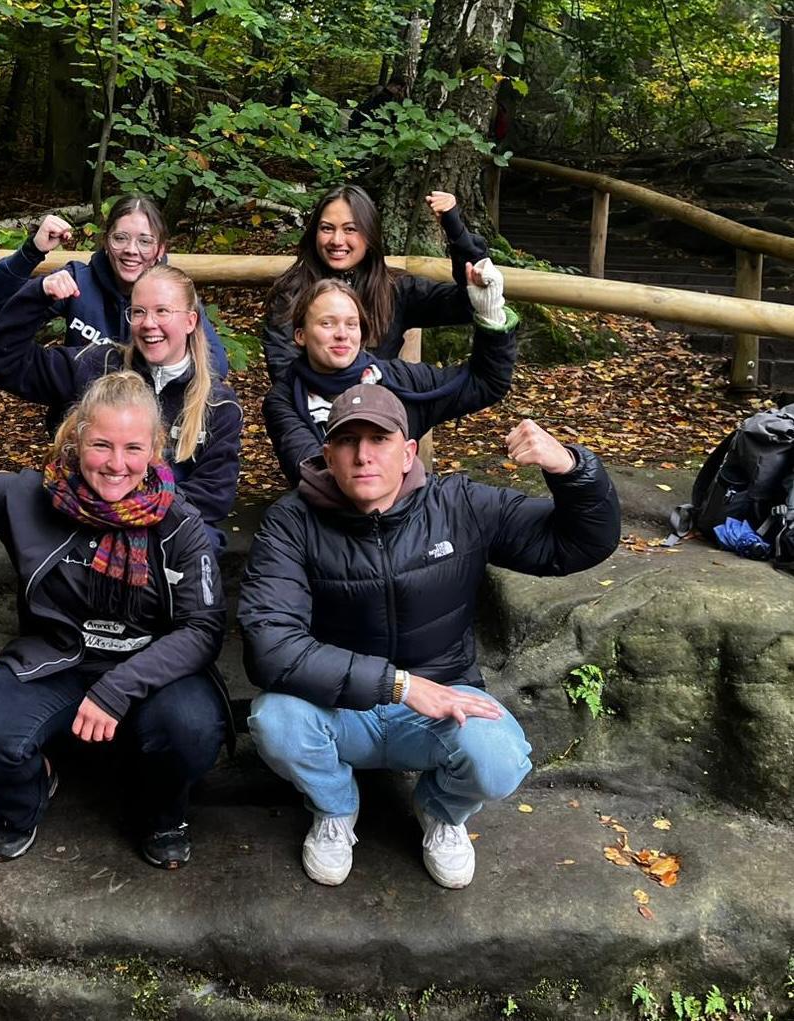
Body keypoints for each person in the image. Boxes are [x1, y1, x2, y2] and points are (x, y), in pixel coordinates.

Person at [238, 385, 621, 888]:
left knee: (500, 759)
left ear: (408, 453)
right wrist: (398, 685)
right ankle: (334, 806)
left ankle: (441, 811)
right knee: (275, 719)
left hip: (441, 702)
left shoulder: (458, 505)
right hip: (338, 705)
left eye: (379, 439)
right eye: (348, 441)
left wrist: (570, 468)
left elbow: (578, 543)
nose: (363, 454)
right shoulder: (292, 522)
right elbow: (270, 646)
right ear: (328, 456)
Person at [0, 370, 231, 869]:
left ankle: (162, 813)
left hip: (151, 670)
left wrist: (117, 689)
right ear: (78, 439)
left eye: (132, 448)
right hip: (55, 661)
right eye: (102, 445)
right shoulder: (24, 496)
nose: (117, 464)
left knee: (192, 729)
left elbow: (203, 629)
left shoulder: (180, 524)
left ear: (154, 450)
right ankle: (27, 797)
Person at [0, 262, 242, 553]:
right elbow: (5, 362)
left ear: (190, 321)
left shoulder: (217, 404)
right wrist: (37, 296)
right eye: (138, 312)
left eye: (162, 311)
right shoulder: (98, 364)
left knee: (201, 539)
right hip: (87, 515)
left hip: (165, 530)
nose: (148, 323)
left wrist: (129, 515)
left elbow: (213, 496)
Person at [263, 263, 516, 485]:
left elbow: (484, 383)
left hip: (405, 514)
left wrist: (491, 313)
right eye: (327, 323)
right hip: (328, 517)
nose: (342, 334)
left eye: (351, 324)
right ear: (301, 335)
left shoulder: (397, 380)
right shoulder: (284, 400)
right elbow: (311, 471)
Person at [0, 195, 230, 377]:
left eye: (145, 241)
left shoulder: (172, 294)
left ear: (160, 249)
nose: (131, 250)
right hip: (80, 417)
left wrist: (134, 371)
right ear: (107, 242)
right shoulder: (79, 282)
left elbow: (215, 364)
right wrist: (31, 252)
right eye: (120, 238)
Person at [263, 185, 488, 381]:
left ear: (369, 235)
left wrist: (455, 230)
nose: (337, 240)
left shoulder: (395, 289)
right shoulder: (292, 292)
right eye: (327, 228)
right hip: (309, 411)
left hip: (378, 410)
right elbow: (284, 370)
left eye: (350, 229)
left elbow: (470, 302)